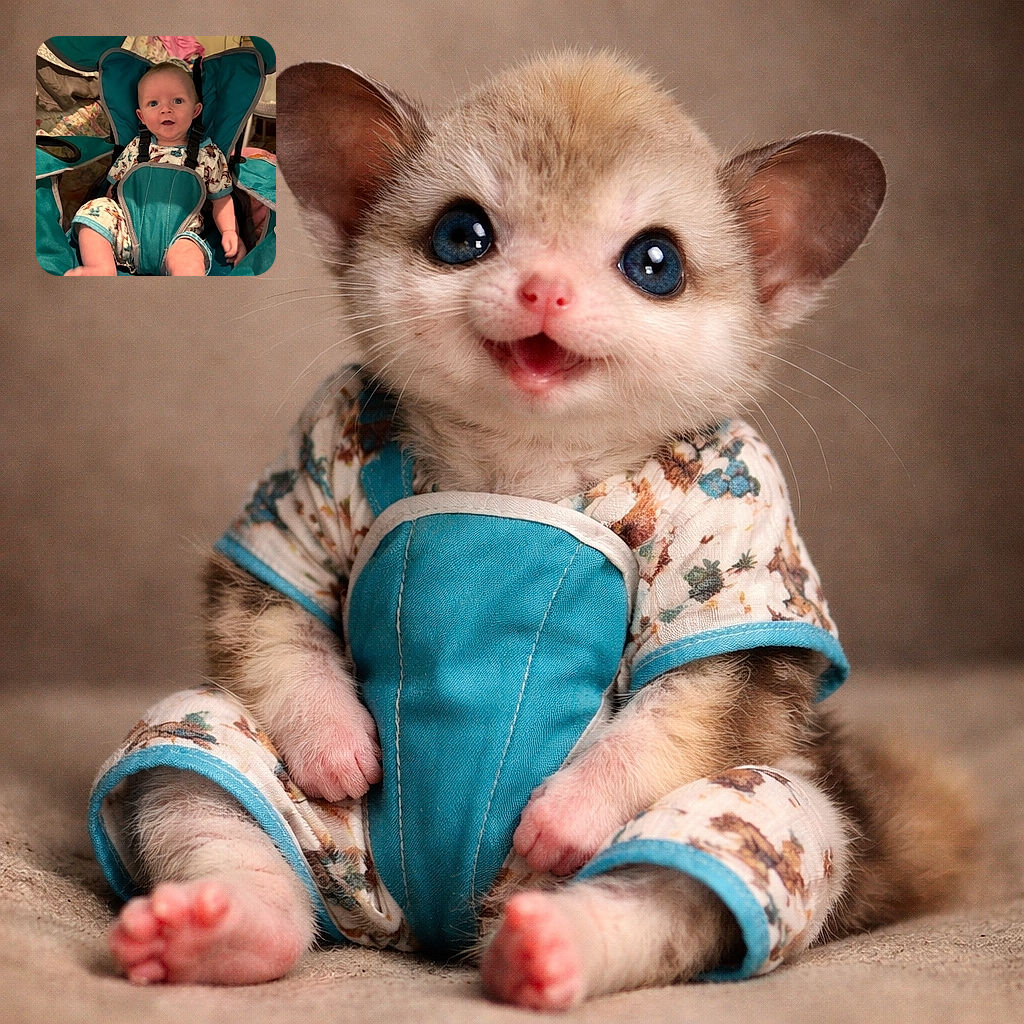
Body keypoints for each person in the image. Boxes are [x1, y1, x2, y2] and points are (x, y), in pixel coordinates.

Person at [66, 62, 243, 276]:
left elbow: (221, 200)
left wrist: (230, 231)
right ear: (141, 116)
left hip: (179, 239)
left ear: (195, 110)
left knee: (188, 258)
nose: (165, 109)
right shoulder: (134, 148)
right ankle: (100, 268)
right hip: (129, 236)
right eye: (153, 103)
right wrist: (105, 218)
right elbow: (112, 191)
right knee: (94, 210)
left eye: (177, 101)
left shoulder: (209, 155)